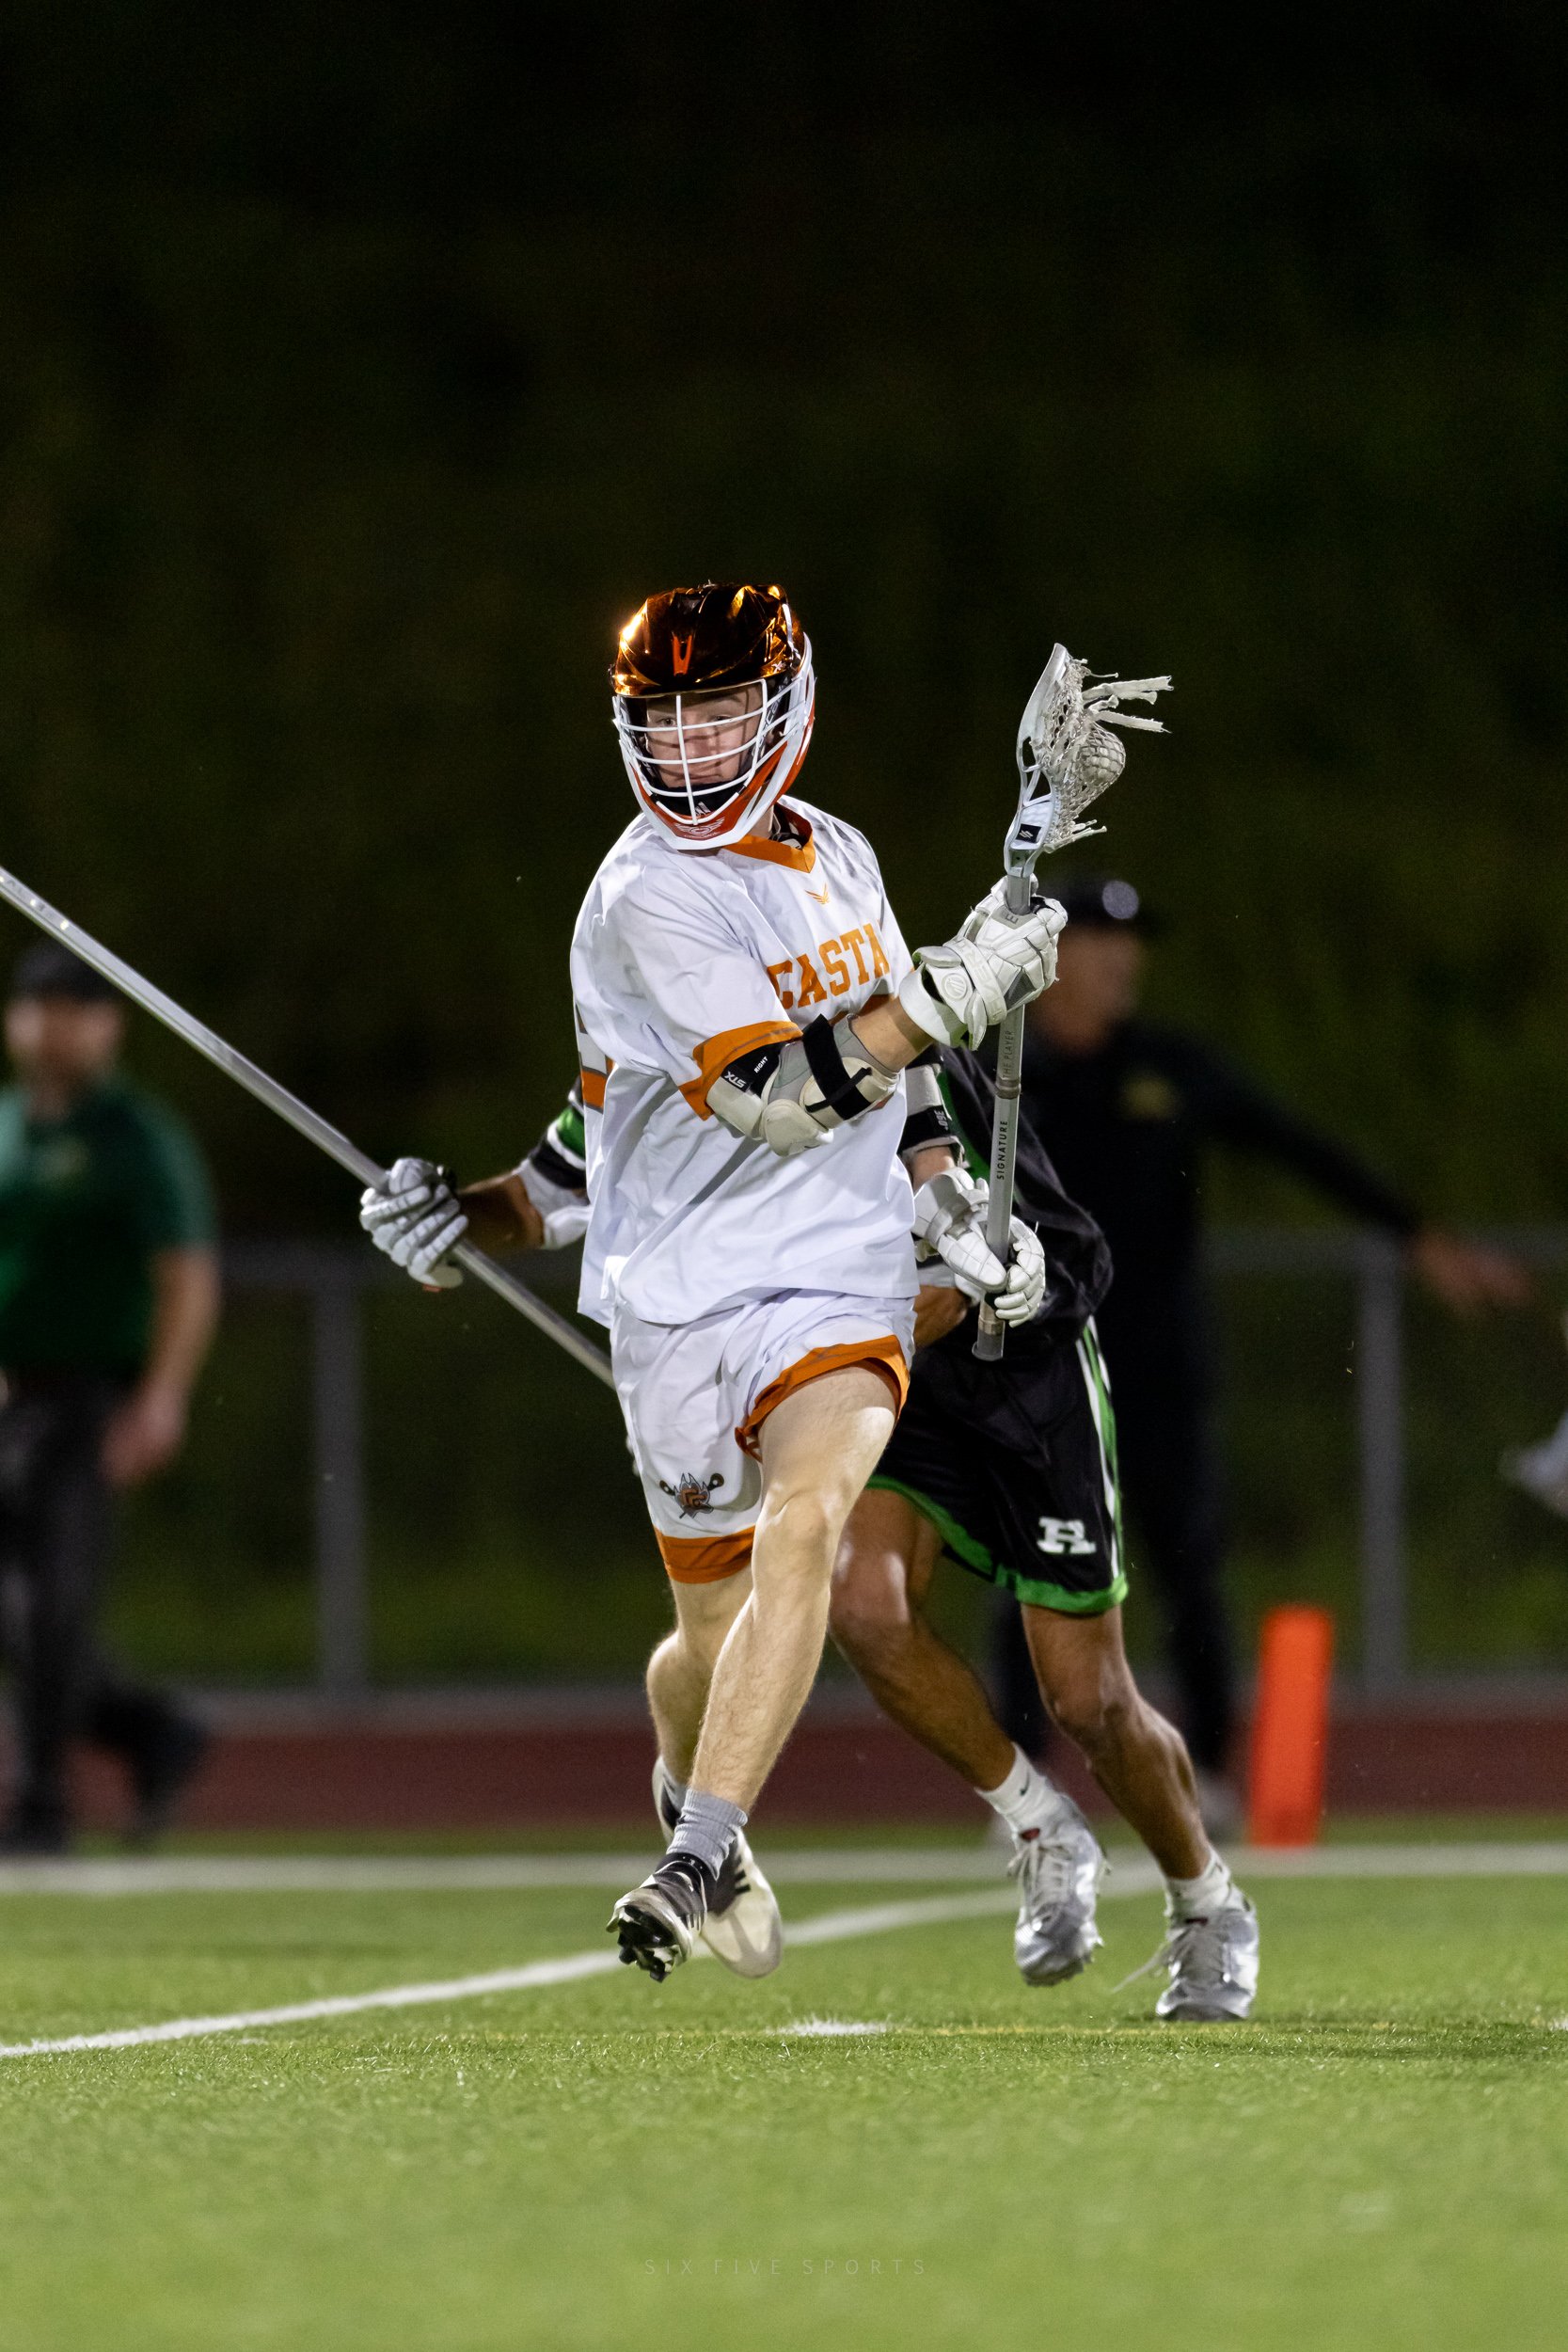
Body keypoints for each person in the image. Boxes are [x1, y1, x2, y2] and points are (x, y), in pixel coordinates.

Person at [359, 580, 1062, 1983]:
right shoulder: (646, 897)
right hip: (679, 1299)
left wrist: (942, 1203)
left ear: (786, 707)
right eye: (664, 720)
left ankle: (692, 1854)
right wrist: (472, 1215)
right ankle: (688, 1785)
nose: (689, 748)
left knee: (809, 1524)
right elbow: (764, 1101)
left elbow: (896, 1085)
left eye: (721, 711)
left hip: (837, 1278)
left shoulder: (839, 852)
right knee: (704, 1639)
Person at [1007, 875, 1528, 1824]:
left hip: (1158, 1367)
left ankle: (1205, 1773)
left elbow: (1299, 1147)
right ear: (1049, 957)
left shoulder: (1169, 1067)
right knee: (1026, 1565)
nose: (1122, 957)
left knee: (1184, 1563)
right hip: (1035, 1366)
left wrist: (1418, 1236)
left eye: (1130, 939)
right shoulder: (1002, 1076)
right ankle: (1019, 1785)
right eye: (1097, 938)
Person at [0, 942, 220, 1852]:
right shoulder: (8, 1125)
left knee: (54, 1601)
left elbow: (186, 1274)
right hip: (11, 1401)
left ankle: (41, 1806)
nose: (53, 1027)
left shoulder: (135, 1135)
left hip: (88, 1398)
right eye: (38, 1007)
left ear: (108, 1024)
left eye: (74, 1009)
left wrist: (161, 1396)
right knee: (20, 1612)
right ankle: (147, 1730)